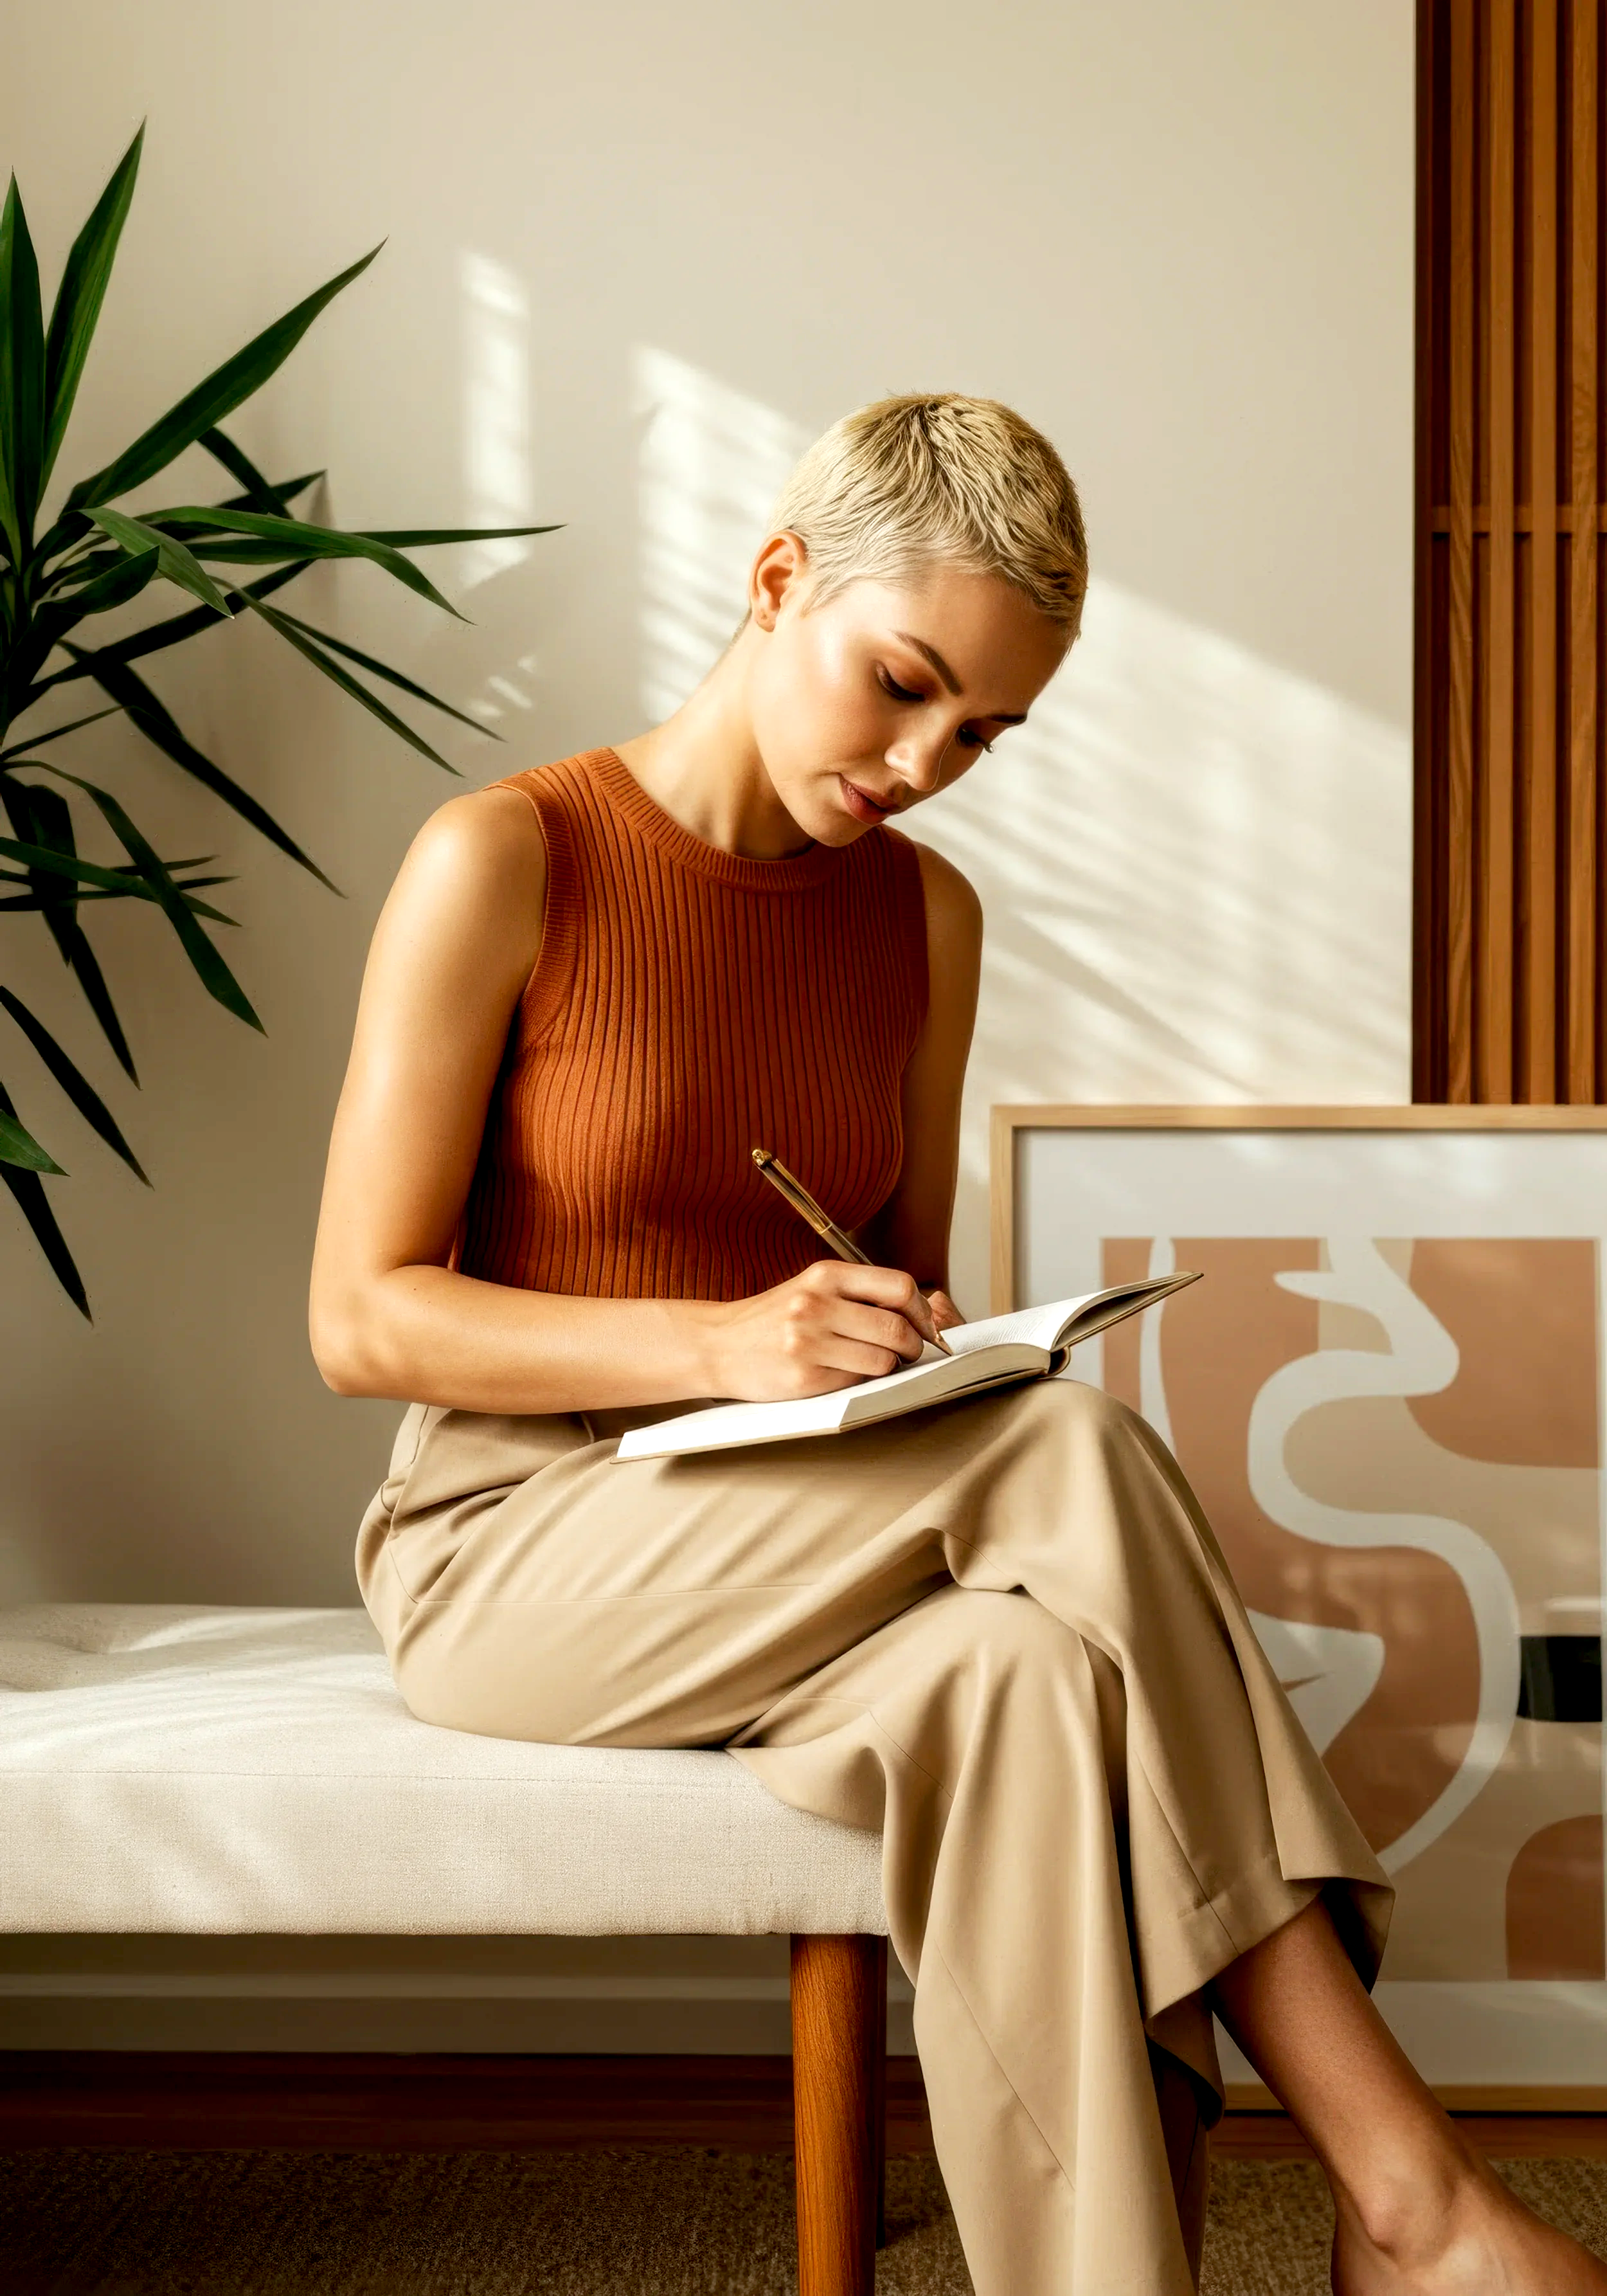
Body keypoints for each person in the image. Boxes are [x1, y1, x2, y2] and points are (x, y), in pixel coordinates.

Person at [309, 393, 1607, 2295]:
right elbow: (361, 1319)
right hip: (513, 1545)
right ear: (775, 582)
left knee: (1018, 1684)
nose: (926, 763)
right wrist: (722, 1345)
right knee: (1063, 1454)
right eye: (902, 685)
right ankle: (1405, 2196)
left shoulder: (924, 915)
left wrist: (889, 1341)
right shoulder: (508, 858)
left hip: (796, 1534)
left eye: (982, 732)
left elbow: (900, 1307)